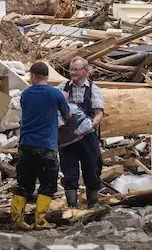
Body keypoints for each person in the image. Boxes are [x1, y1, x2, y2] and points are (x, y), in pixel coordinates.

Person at [11, 62, 71, 230]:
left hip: (25, 146)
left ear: (32, 76)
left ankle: (16, 220)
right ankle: (40, 220)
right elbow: (68, 115)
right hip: (46, 147)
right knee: (48, 183)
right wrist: (63, 100)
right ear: (47, 77)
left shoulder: (25, 94)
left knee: (24, 183)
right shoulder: (56, 94)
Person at [59, 56, 105, 208]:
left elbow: (99, 113)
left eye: (76, 70)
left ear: (85, 71)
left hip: (87, 137)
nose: (73, 73)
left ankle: (93, 204)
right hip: (67, 139)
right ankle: (72, 206)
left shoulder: (94, 89)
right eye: (71, 69)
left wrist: (90, 125)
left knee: (92, 168)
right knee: (69, 171)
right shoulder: (62, 87)